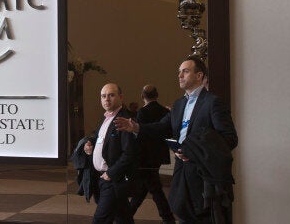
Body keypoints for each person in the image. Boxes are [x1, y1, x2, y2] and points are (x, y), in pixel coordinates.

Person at [114, 56, 238, 223]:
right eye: (179, 72)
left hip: (203, 173)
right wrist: (136, 127)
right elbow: (161, 127)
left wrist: (195, 151)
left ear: (199, 75)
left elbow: (229, 138)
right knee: (182, 212)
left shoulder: (213, 102)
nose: (180, 75)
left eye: (185, 71)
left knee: (204, 217)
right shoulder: (179, 104)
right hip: (181, 171)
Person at [83, 83, 138, 224]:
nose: (106, 99)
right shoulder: (107, 117)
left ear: (120, 97)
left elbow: (129, 154)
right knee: (123, 218)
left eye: (111, 95)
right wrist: (90, 143)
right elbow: (99, 137)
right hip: (103, 178)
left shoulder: (124, 120)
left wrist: (110, 174)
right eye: (103, 96)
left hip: (113, 180)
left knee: (100, 220)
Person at [129, 85, 175, 224]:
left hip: (145, 156)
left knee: (154, 189)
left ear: (142, 96)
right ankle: (127, 214)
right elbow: (167, 132)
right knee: (146, 186)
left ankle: (168, 218)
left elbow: (141, 135)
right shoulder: (164, 111)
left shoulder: (142, 112)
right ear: (157, 95)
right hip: (158, 154)